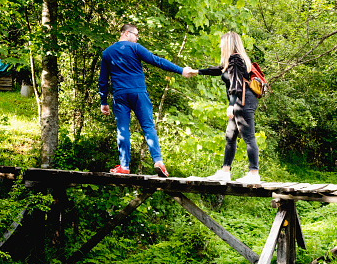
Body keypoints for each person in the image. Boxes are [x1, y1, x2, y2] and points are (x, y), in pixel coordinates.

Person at [99, 24, 197, 177]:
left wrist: (103, 102)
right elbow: (157, 61)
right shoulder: (135, 48)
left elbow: (103, 81)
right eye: (136, 34)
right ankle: (158, 162)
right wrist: (181, 70)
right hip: (138, 93)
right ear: (125, 33)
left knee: (122, 130)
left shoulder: (107, 53)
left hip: (120, 96)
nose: (137, 38)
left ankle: (124, 166)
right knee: (148, 127)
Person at [198, 32, 261, 184]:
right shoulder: (235, 59)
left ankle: (254, 174)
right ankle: (225, 171)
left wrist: (231, 105)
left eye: (221, 43)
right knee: (230, 135)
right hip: (243, 100)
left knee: (248, 136)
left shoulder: (235, 58)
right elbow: (219, 70)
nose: (220, 46)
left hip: (242, 101)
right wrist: (197, 72)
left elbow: (236, 84)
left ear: (228, 44)